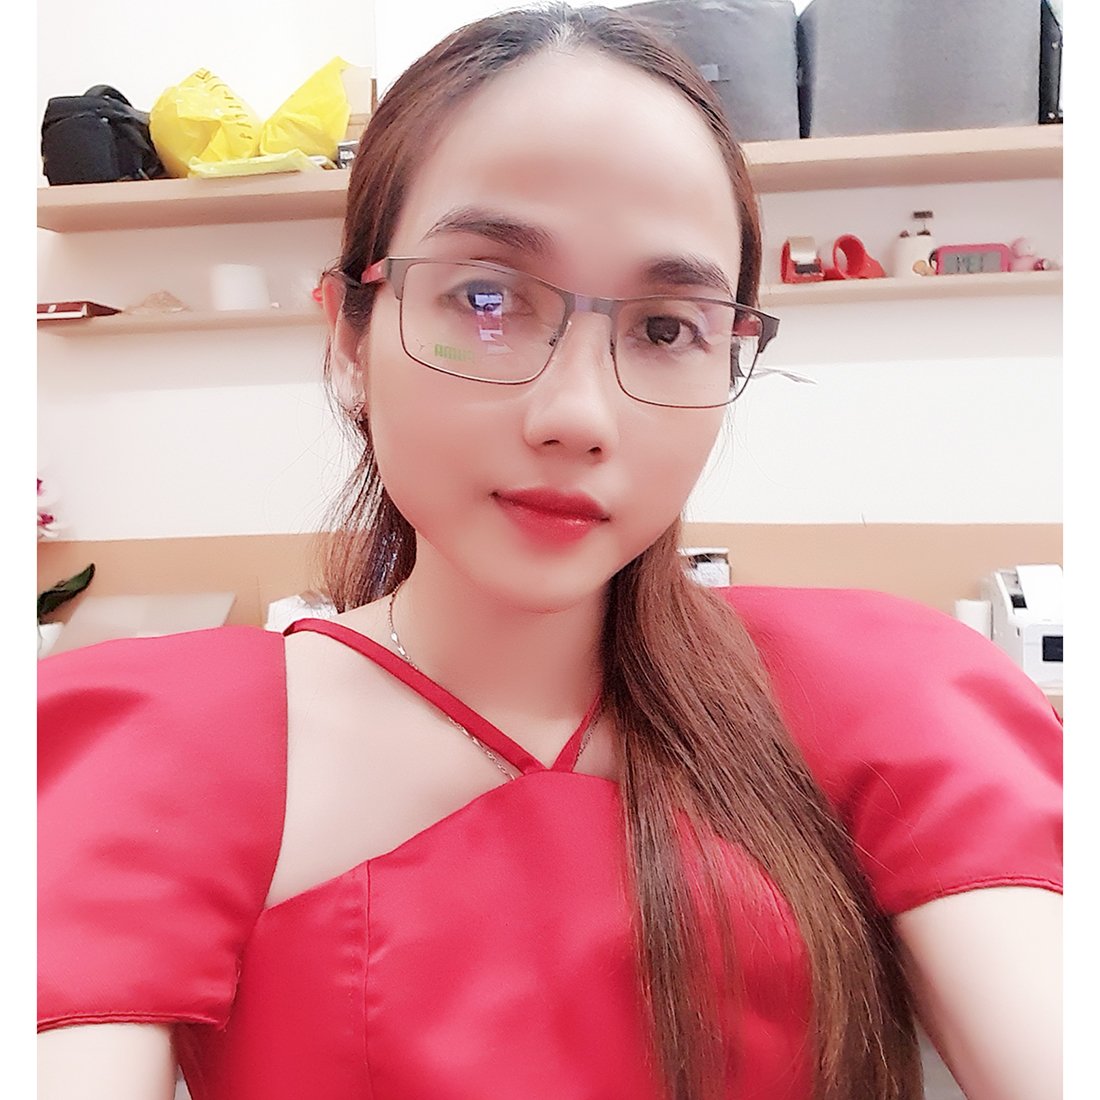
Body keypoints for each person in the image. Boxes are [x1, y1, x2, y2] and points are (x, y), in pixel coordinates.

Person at [38, 5, 1062, 1100]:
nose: (577, 415)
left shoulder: (879, 692)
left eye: (666, 327)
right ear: (347, 336)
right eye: (484, 297)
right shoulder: (161, 748)